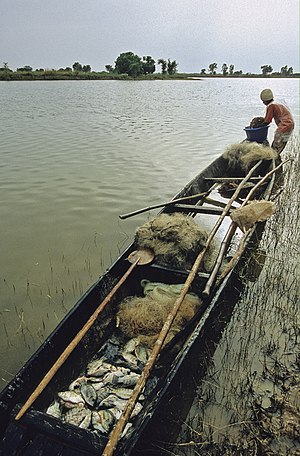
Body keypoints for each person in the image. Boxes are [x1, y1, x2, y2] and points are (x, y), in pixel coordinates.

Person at [260, 88, 294, 154]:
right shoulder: (277, 102)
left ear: (265, 100)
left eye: (263, 101)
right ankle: (276, 157)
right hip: (290, 125)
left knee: (275, 147)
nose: (263, 103)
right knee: (281, 144)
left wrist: (259, 126)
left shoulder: (271, 106)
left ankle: (273, 159)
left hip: (284, 126)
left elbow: (267, 121)